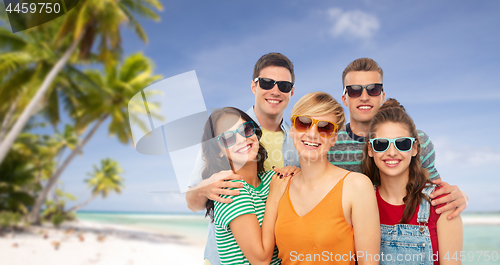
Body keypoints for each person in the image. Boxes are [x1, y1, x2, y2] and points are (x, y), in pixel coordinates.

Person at [185, 52, 300, 265]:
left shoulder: (299, 139)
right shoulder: (222, 128)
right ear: (254, 86)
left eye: (283, 86)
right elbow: (192, 201)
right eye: (267, 83)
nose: (275, 90)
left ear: (291, 92)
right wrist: (205, 189)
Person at [329, 58, 467, 219]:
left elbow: (438, 196)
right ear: (345, 98)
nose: (364, 97)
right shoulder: (329, 144)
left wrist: (463, 197)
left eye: (373, 89)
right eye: (354, 90)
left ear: (382, 96)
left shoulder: (417, 141)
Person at [275, 92, 380, 265]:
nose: (313, 134)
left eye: (325, 128)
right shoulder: (281, 184)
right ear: (292, 130)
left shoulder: (356, 186)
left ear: (334, 138)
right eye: (304, 123)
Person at [361, 98, 463, 265]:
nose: (392, 152)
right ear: (371, 150)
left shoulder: (441, 205)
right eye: (381, 144)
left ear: (414, 148)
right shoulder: (361, 203)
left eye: (402, 143)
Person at [201, 107, 295, 265]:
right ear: (219, 151)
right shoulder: (231, 191)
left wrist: (295, 172)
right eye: (228, 138)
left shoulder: (270, 179)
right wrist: (273, 199)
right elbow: (261, 260)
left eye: (246, 129)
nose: (241, 139)